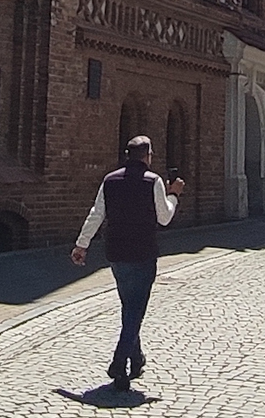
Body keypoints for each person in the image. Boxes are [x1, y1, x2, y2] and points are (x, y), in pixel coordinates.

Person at [72, 135, 183, 391]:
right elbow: (164, 218)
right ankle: (119, 361)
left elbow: (96, 213)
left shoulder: (110, 180)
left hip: (116, 253)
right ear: (148, 156)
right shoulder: (153, 180)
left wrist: (82, 244)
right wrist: (174, 195)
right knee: (135, 310)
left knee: (128, 306)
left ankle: (136, 358)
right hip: (143, 252)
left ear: (126, 155)